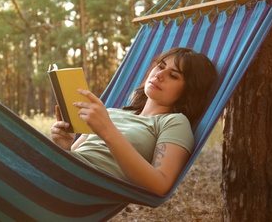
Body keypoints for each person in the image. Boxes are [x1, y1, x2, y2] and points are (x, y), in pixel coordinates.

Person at [50, 47, 218, 195]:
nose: (159, 75)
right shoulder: (110, 113)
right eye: (160, 66)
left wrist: (108, 130)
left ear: (188, 91)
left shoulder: (174, 123)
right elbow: (76, 157)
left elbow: (160, 185)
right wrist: (63, 147)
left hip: (82, 187)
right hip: (59, 175)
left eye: (173, 76)